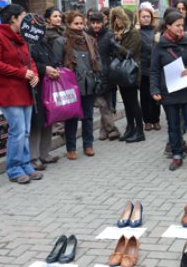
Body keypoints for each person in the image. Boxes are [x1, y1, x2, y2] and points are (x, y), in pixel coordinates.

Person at [0, 4, 43, 184]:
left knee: (25, 131)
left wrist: (34, 74)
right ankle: (13, 168)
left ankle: (25, 164)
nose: (27, 21)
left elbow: (30, 60)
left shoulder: (23, 37)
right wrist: (22, 73)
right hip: (9, 91)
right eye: (23, 17)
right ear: (13, 18)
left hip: (24, 90)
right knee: (17, 131)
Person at [150, 12, 187, 171]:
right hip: (169, 92)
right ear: (168, 26)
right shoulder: (159, 45)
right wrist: (154, 89)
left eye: (182, 25)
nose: (181, 28)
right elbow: (154, 70)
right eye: (177, 25)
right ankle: (176, 155)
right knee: (173, 126)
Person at [53, 11, 102, 160]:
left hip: (89, 83)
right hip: (71, 85)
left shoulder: (90, 40)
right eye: (76, 23)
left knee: (88, 117)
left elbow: (97, 59)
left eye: (81, 23)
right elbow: (57, 64)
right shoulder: (61, 41)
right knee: (72, 117)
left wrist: (98, 73)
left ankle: (88, 145)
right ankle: (71, 148)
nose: (79, 26)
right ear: (68, 24)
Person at [28, 10, 62, 172]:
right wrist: (45, 69)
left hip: (49, 87)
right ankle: (33, 158)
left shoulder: (44, 43)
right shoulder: (28, 44)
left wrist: (55, 69)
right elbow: (30, 64)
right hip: (35, 88)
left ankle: (44, 154)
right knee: (37, 123)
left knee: (48, 120)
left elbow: (54, 59)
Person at [110, 7, 145, 143]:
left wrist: (116, 44)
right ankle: (130, 128)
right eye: (116, 18)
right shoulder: (119, 33)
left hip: (131, 72)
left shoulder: (133, 34)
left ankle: (140, 131)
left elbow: (129, 53)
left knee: (133, 102)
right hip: (121, 73)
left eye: (119, 18)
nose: (117, 21)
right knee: (126, 103)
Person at [86, 12, 120, 141]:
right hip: (94, 74)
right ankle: (112, 129)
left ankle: (103, 131)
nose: (95, 25)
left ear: (103, 22)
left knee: (108, 104)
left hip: (108, 73)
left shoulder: (109, 35)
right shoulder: (86, 35)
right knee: (102, 104)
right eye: (93, 23)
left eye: (98, 23)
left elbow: (116, 52)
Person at [137, 7, 161, 131]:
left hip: (155, 68)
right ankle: (147, 120)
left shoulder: (156, 31)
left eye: (148, 16)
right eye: (143, 16)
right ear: (139, 18)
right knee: (145, 96)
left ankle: (156, 119)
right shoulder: (137, 32)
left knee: (156, 95)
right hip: (143, 69)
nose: (146, 19)